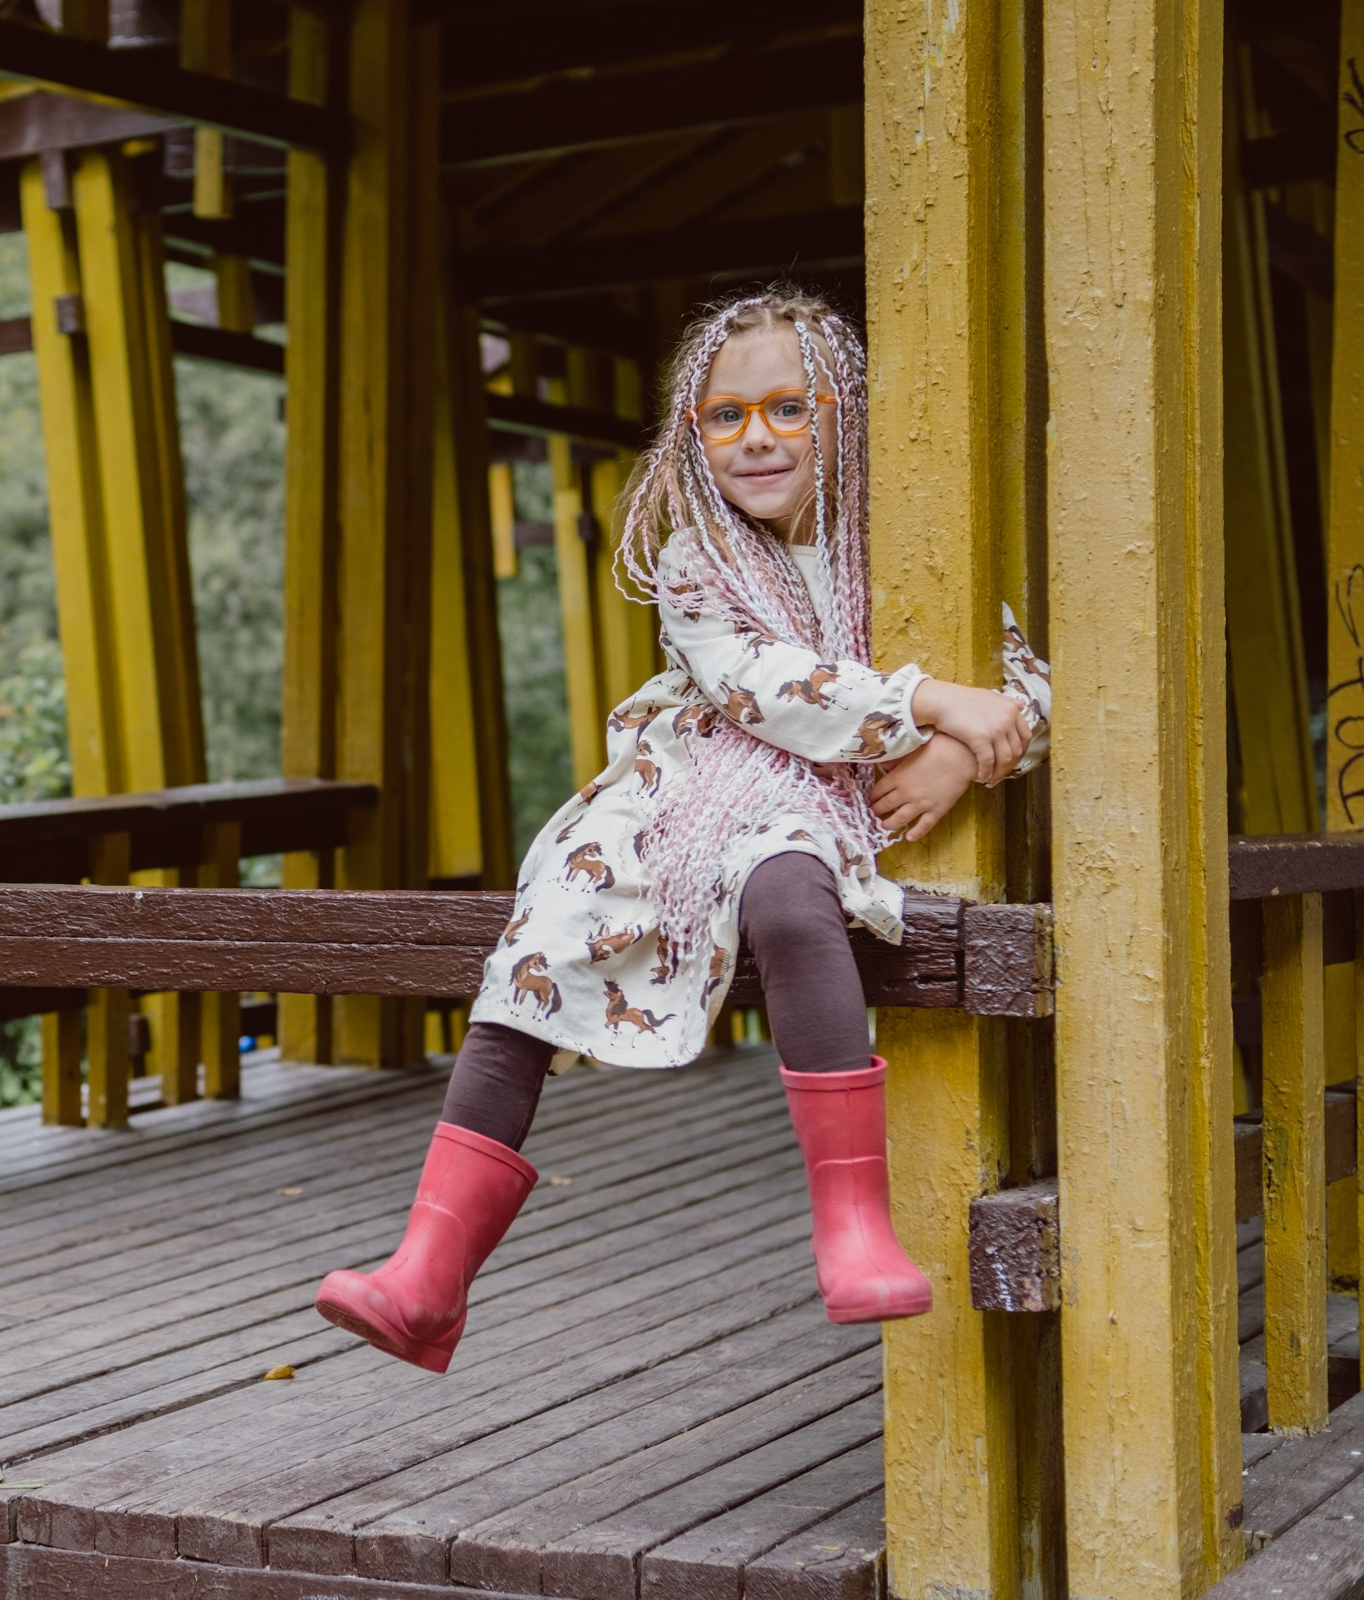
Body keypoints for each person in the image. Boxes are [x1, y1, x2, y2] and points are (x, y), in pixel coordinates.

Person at [314, 286, 1051, 1373]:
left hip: (811, 806)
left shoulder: (917, 544)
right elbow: (762, 687)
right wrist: (933, 706)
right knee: (543, 934)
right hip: (688, 787)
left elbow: (1030, 681)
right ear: (691, 432)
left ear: (844, 414)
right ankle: (429, 1268)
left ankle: (853, 1224)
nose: (756, 439)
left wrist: (965, 748)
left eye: (789, 410)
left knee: (792, 897)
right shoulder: (696, 559)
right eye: (725, 416)